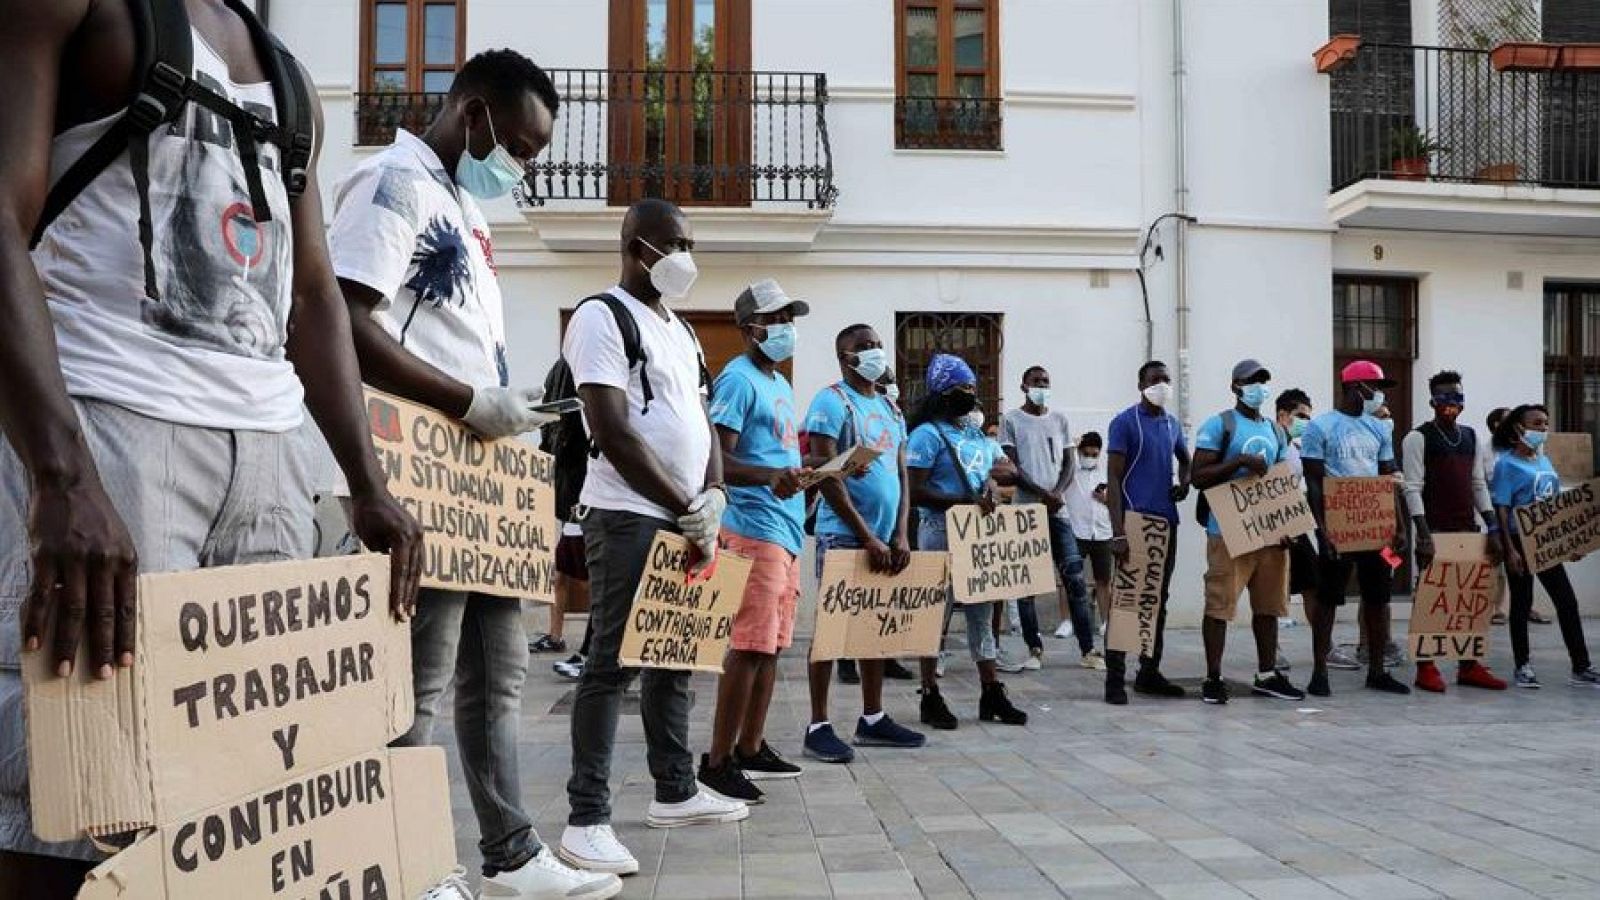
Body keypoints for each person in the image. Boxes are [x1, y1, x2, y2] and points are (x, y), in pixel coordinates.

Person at [0, 2, 427, 896]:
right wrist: (60, 476)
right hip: (110, 428)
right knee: (81, 785)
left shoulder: (286, 73)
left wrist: (367, 481)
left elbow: (312, 294)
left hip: (271, 452)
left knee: (248, 784)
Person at [328, 50, 619, 899]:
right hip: (418, 474)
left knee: (499, 677)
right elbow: (344, 322)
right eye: (518, 148)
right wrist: (468, 401)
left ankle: (512, 852)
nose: (521, 167)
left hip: (477, 484)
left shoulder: (463, 207)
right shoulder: (392, 184)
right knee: (416, 682)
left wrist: (501, 405)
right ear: (473, 114)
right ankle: (405, 866)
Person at [558, 199, 747, 876]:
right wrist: (684, 503)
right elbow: (611, 430)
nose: (686, 257)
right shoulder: (600, 317)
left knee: (675, 653)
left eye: (691, 244)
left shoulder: (683, 331)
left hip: (686, 513)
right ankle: (586, 819)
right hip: (627, 513)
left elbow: (700, 418)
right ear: (638, 247)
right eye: (675, 244)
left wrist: (714, 493)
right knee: (611, 663)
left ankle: (676, 789)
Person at [696, 279, 811, 804]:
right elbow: (716, 459)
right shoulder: (738, 380)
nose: (786, 327)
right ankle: (717, 761)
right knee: (748, 644)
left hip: (784, 528)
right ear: (749, 329)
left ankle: (751, 745)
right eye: (776, 319)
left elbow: (774, 456)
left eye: (790, 318)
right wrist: (768, 478)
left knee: (772, 644)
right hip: (752, 527)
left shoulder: (779, 382)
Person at [801, 324, 927, 764]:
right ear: (845, 357)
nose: (874, 352)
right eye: (863, 347)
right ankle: (818, 725)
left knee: (875, 628)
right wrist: (866, 535)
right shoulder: (831, 402)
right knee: (832, 630)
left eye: (877, 345)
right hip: (843, 533)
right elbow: (824, 472)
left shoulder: (890, 407)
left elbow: (901, 473)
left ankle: (873, 717)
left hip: (886, 538)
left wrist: (900, 533)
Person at [907, 354, 1027, 728]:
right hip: (940, 532)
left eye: (974, 387)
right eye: (964, 387)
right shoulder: (927, 435)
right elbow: (914, 490)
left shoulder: (975, 435)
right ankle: (930, 694)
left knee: (981, 614)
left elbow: (1008, 469)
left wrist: (996, 478)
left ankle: (991, 691)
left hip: (977, 534)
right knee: (935, 616)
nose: (972, 393)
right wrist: (961, 500)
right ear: (943, 392)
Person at [1190, 360, 1304, 704]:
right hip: (1227, 530)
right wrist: (1239, 461)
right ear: (1236, 387)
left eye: (1263, 380)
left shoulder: (1275, 430)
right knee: (1220, 604)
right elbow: (1198, 476)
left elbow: (1280, 480)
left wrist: (1288, 527)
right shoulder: (1220, 425)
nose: (1259, 386)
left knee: (1268, 606)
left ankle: (1267, 673)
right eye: (1252, 380)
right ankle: (1213, 677)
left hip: (1268, 532)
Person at [1300, 361, 1410, 697]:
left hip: (1375, 526)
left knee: (1378, 597)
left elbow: (1389, 478)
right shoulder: (1320, 427)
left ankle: (1377, 669)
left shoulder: (1379, 429)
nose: (1378, 395)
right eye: (1373, 387)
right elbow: (1314, 482)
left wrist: (1399, 524)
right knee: (1329, 598)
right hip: (1339, 526)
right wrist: (1322, 530)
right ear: (1353, 387)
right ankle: (1320, 670)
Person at [1401, 371, 1508, 693]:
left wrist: (1492, 526)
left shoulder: (1470, 436)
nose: (1451, 403)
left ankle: (1469, 665)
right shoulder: (1418, 438)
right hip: (1434, 529)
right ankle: (1426, 667)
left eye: (1457, 397)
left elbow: (1478, 484)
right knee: (1431, 598)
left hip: (1467, 528)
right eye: (1444, 397)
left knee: (1469, 598)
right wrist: (1423, 534)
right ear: (1432, 401)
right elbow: (1412, 487)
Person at [1490, 405, 1600, 689]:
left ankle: (1581, 666)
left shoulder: (1544, 461)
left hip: (1546, 541)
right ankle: (1522, 665)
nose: (1543, 429)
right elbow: (1502, 508)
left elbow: (1556, 506)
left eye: (1545, 423)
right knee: (1522, 603)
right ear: (1519, 428)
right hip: (1519, 540)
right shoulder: (1506, 465)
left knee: (1566, 601)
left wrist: (1569, 542)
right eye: (1536, 424)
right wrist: (1509, 549)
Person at [1000, 366, 1101, 670]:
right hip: (1026, 513)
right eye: (1036, 382)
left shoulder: (1059, 420)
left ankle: (1088, 649)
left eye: (1045, 381)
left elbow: (1069, 462)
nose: (1041, 386)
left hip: (1059, 511)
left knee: (1075, 579)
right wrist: (1043, 494)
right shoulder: (1011, 420)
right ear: (1024, 386)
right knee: (1026, 586)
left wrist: (1056, 493)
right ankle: (1034, 649)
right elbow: (1012, 468)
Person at [1103, 361, 1191, 705]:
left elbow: (1186, 460)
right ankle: (1114, 677)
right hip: (1134, 520)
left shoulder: (1172, 424)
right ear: (1141, 384)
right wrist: (1117, 531)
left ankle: (1149, 670)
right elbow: (1113, 478)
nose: (1162, 385)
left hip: (1165, 522)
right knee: (1127, 600)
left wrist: (1184, 483)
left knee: (1157, 600)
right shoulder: (1125, 422)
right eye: (1155, 380)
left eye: (1166, 379)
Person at [1276, 389, 1351, 673]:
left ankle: (1325, 646)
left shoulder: (1299, 449)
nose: (1306, 422)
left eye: (1309, 417)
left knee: (1312, 585)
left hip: (1296, 525)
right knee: (1275, 589)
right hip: (1270, 528)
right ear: (1283, 415)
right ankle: (1272, 650)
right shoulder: (1269, 445)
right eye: (1301, 416)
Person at [1062, 432, 1112, 668]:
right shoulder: (1071, 470)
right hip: (1077, 530)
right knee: (1070, 579)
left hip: (1102, 531)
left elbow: (1117, 499)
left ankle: (1106, 621)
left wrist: (1106, 499)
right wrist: (1073, 447)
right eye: (1086, 453)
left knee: (1104, 580)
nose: (1090, 457)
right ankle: (1066, 621)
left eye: (1094, 454)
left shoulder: (1106, 473)